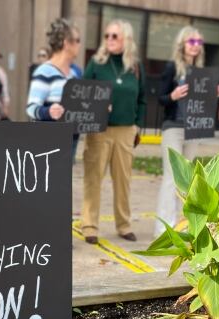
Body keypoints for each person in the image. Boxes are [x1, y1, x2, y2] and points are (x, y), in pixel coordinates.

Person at [154, 26, 219, 237]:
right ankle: (163, 231)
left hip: (194, 129)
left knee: (186, 181)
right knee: (171, 177)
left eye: (199, 42)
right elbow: (160, 98)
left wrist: (217, 93)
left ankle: (181, 226)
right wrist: (173, 95)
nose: (195, 46)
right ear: (182, 44)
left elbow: (205, 102)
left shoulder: (204, 73)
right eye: (191, 41)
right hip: (173, 127)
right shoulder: (172, 68)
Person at [81, 19, 146, 244]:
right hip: (99, 129)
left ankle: (123, 224)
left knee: (123, 180)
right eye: (107, 36)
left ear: (126, 39)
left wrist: (138, 124)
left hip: (126, 130)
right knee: (93, 178)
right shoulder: (96, 63)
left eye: (114, 36)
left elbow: (142, 99)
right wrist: (97, 105)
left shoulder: (135, 67)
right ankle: (89, 225)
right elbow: (83, 92)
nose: (109, 40)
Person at [26, 18, 81, 158]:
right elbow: (31, 108)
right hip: (47, 142)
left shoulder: (75, 73)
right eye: (77, 40)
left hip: (71, 140)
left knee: (64, 180)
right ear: (66, 43)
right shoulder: (44, 72)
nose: (79, 45)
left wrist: (99, 108)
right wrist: (48, 111)